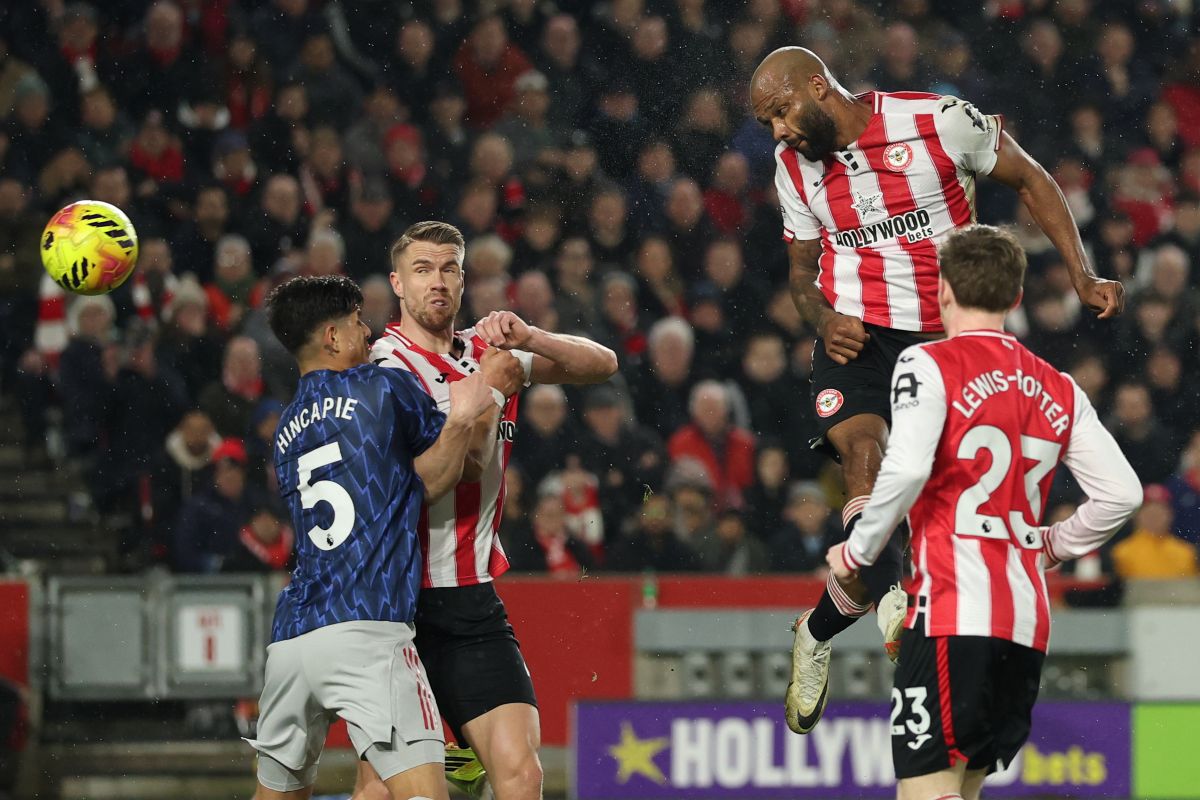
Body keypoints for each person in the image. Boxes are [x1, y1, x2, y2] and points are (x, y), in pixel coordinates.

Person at [749, 46, 1127, 734]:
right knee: (864, 455)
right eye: (768, 123)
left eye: (781, 112)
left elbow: (1032, 178)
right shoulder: (792, 167)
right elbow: (802, 272)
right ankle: (898, 597)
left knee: (908, 528)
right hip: (858, 338)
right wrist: (824, 319)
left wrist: (1081, 273)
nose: (779, 131)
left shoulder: (939, 121)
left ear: (818, 86)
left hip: (944, 341)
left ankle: (817, 629)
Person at [824, 225, 1141, 800]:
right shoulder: (1059, 387)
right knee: (962, 789)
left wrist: (859, 548)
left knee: (925, 790)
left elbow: (907, 469)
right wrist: (1051, 544)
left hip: (952, 609)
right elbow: (1122, 494)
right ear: (1015, 296)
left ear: (942, 289)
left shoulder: (927, 363)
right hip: (1025, 624)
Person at [357, 221, 617, 800]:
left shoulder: (488, 349)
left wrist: (532, 336)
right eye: (422, 270)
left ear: (463, 278)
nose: (437, 282)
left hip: (470, 599)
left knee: (523, 775)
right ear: (397, 284)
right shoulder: (383, 370)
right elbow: (440, 478)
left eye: (448, 268)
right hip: (396, 603)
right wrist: (493, 388)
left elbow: (602, 364)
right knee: (382, 791)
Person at [244, 274, 522, 800]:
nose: (368, 333)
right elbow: (456, 470)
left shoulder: (285, 428)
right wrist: (483, 398)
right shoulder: (381, 386)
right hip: (369, 629)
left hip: (293, 639)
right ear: (332, 337)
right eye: (356, 323)